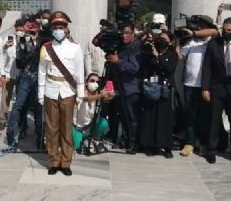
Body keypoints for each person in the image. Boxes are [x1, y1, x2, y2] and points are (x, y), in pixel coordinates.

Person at [38, 11, 85, 176]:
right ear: (51, 29)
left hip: (68, 91)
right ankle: (53, 161)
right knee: (52, 129)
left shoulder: (75, 48)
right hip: (51, 90)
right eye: (55, 27)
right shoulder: (46, 48)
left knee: (66, 128)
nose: (58, 30)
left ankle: (66, 162)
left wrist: (80, 94)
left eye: (61, 27)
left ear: (66, 29)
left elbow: (80, 72)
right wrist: (40, 93)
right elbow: (42, 72)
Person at [201, 17, 231, 164]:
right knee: (214, 120)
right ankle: (212, 150)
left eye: (229, 30)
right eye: (224, 29)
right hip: (217, 88)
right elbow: (207, 66)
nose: (226, 32)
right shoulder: (214, 44)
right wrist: (205, 88)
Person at [176, 16, 219, 157]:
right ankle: (189, 143)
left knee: (206, 116)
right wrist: (178, 39)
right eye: (197, 26)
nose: (199, 28)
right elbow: (180, 57)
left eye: (202, 25)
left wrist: (194, 33)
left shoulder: (213, 40)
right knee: (190, 116)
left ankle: (204, 144)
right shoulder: (191, 42)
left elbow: (213, 31)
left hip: (207, 86)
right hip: (190, 84)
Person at [5, 20, 44, 149]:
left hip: (40, 77)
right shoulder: (22, 43)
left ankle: (40, 134)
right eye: (29, 32)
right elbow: (19, 63)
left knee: (39, 107)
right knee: (19, 105)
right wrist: (23, 45)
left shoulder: (42, 43)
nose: (32, 35)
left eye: (34, 32)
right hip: (26, 76)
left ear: (38, 32)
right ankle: (11, 132)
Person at [105, 23, 143, 154]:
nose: (124, 36)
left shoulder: (137, 47)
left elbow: (134, 67)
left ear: (133, 34)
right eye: (122, 33)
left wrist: (117, 61)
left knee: (133, 118)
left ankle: (134, 144)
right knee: (124, 117)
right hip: (120, 87)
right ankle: (126, 140)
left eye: (127, 33)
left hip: (132, 88)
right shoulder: (122, 46)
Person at [140, 31, 179, 158]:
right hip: (152, 88)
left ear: (170, 42)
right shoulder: (150, 52)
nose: (162, 41)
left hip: (166, 89)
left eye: (165, 39)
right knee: (150, 117)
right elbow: (145, 68)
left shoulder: (172, 54)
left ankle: (166, 146)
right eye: (160, 38)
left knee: (165, 119)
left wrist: (158, 56)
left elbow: (169, 68)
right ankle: (150, 145)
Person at [72, 73, 114, 150]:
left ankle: (91, 138)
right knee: (77, 146)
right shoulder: (81, 92)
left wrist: (111, 94)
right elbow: (86, 98)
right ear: (87, 82)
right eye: (92, 81)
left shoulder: (98, 93)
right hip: (77, 126)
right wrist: (100, 95)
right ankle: (79, 138)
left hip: (89, 126)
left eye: (97, 82)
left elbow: (106, 98)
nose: (94, 83)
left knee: (104, 123)